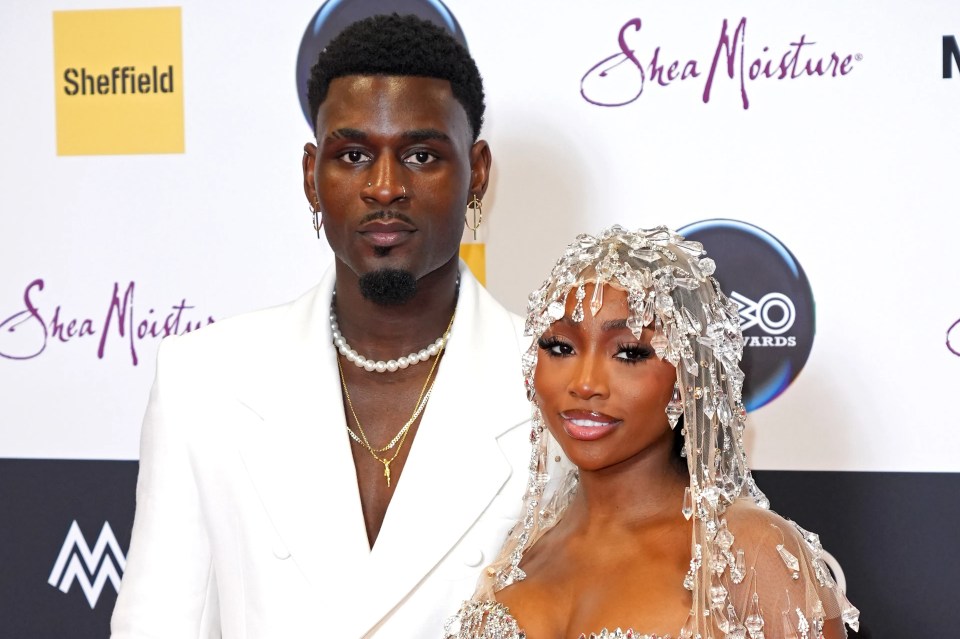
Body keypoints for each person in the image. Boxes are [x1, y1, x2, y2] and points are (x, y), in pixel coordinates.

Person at [111, 14, 533, 638]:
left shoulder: (556, 384)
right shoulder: (204, 378)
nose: (384, 187)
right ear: (312, 175)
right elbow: (159, 624)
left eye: (420, 155)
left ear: (479, 172)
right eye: (354, 155)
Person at [445, 225, 861, 639]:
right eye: (560, 347)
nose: (585, 383)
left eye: (630, 353)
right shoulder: (523, 547)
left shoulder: (748, 551)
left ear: (688, 377)